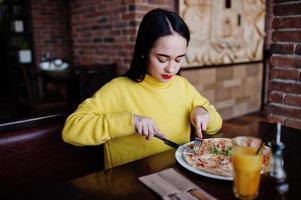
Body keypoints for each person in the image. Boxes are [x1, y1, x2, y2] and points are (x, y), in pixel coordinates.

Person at [62, 8, 222, 169]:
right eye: (162, 59)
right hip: (130, 184)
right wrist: (129, 122)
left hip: (177, 176)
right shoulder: (118, 89)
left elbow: (216, 125)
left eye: (179, 59)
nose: (171, 69)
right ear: (144, 52)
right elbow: (71, 131)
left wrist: (203, 112)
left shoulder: (182, 85)